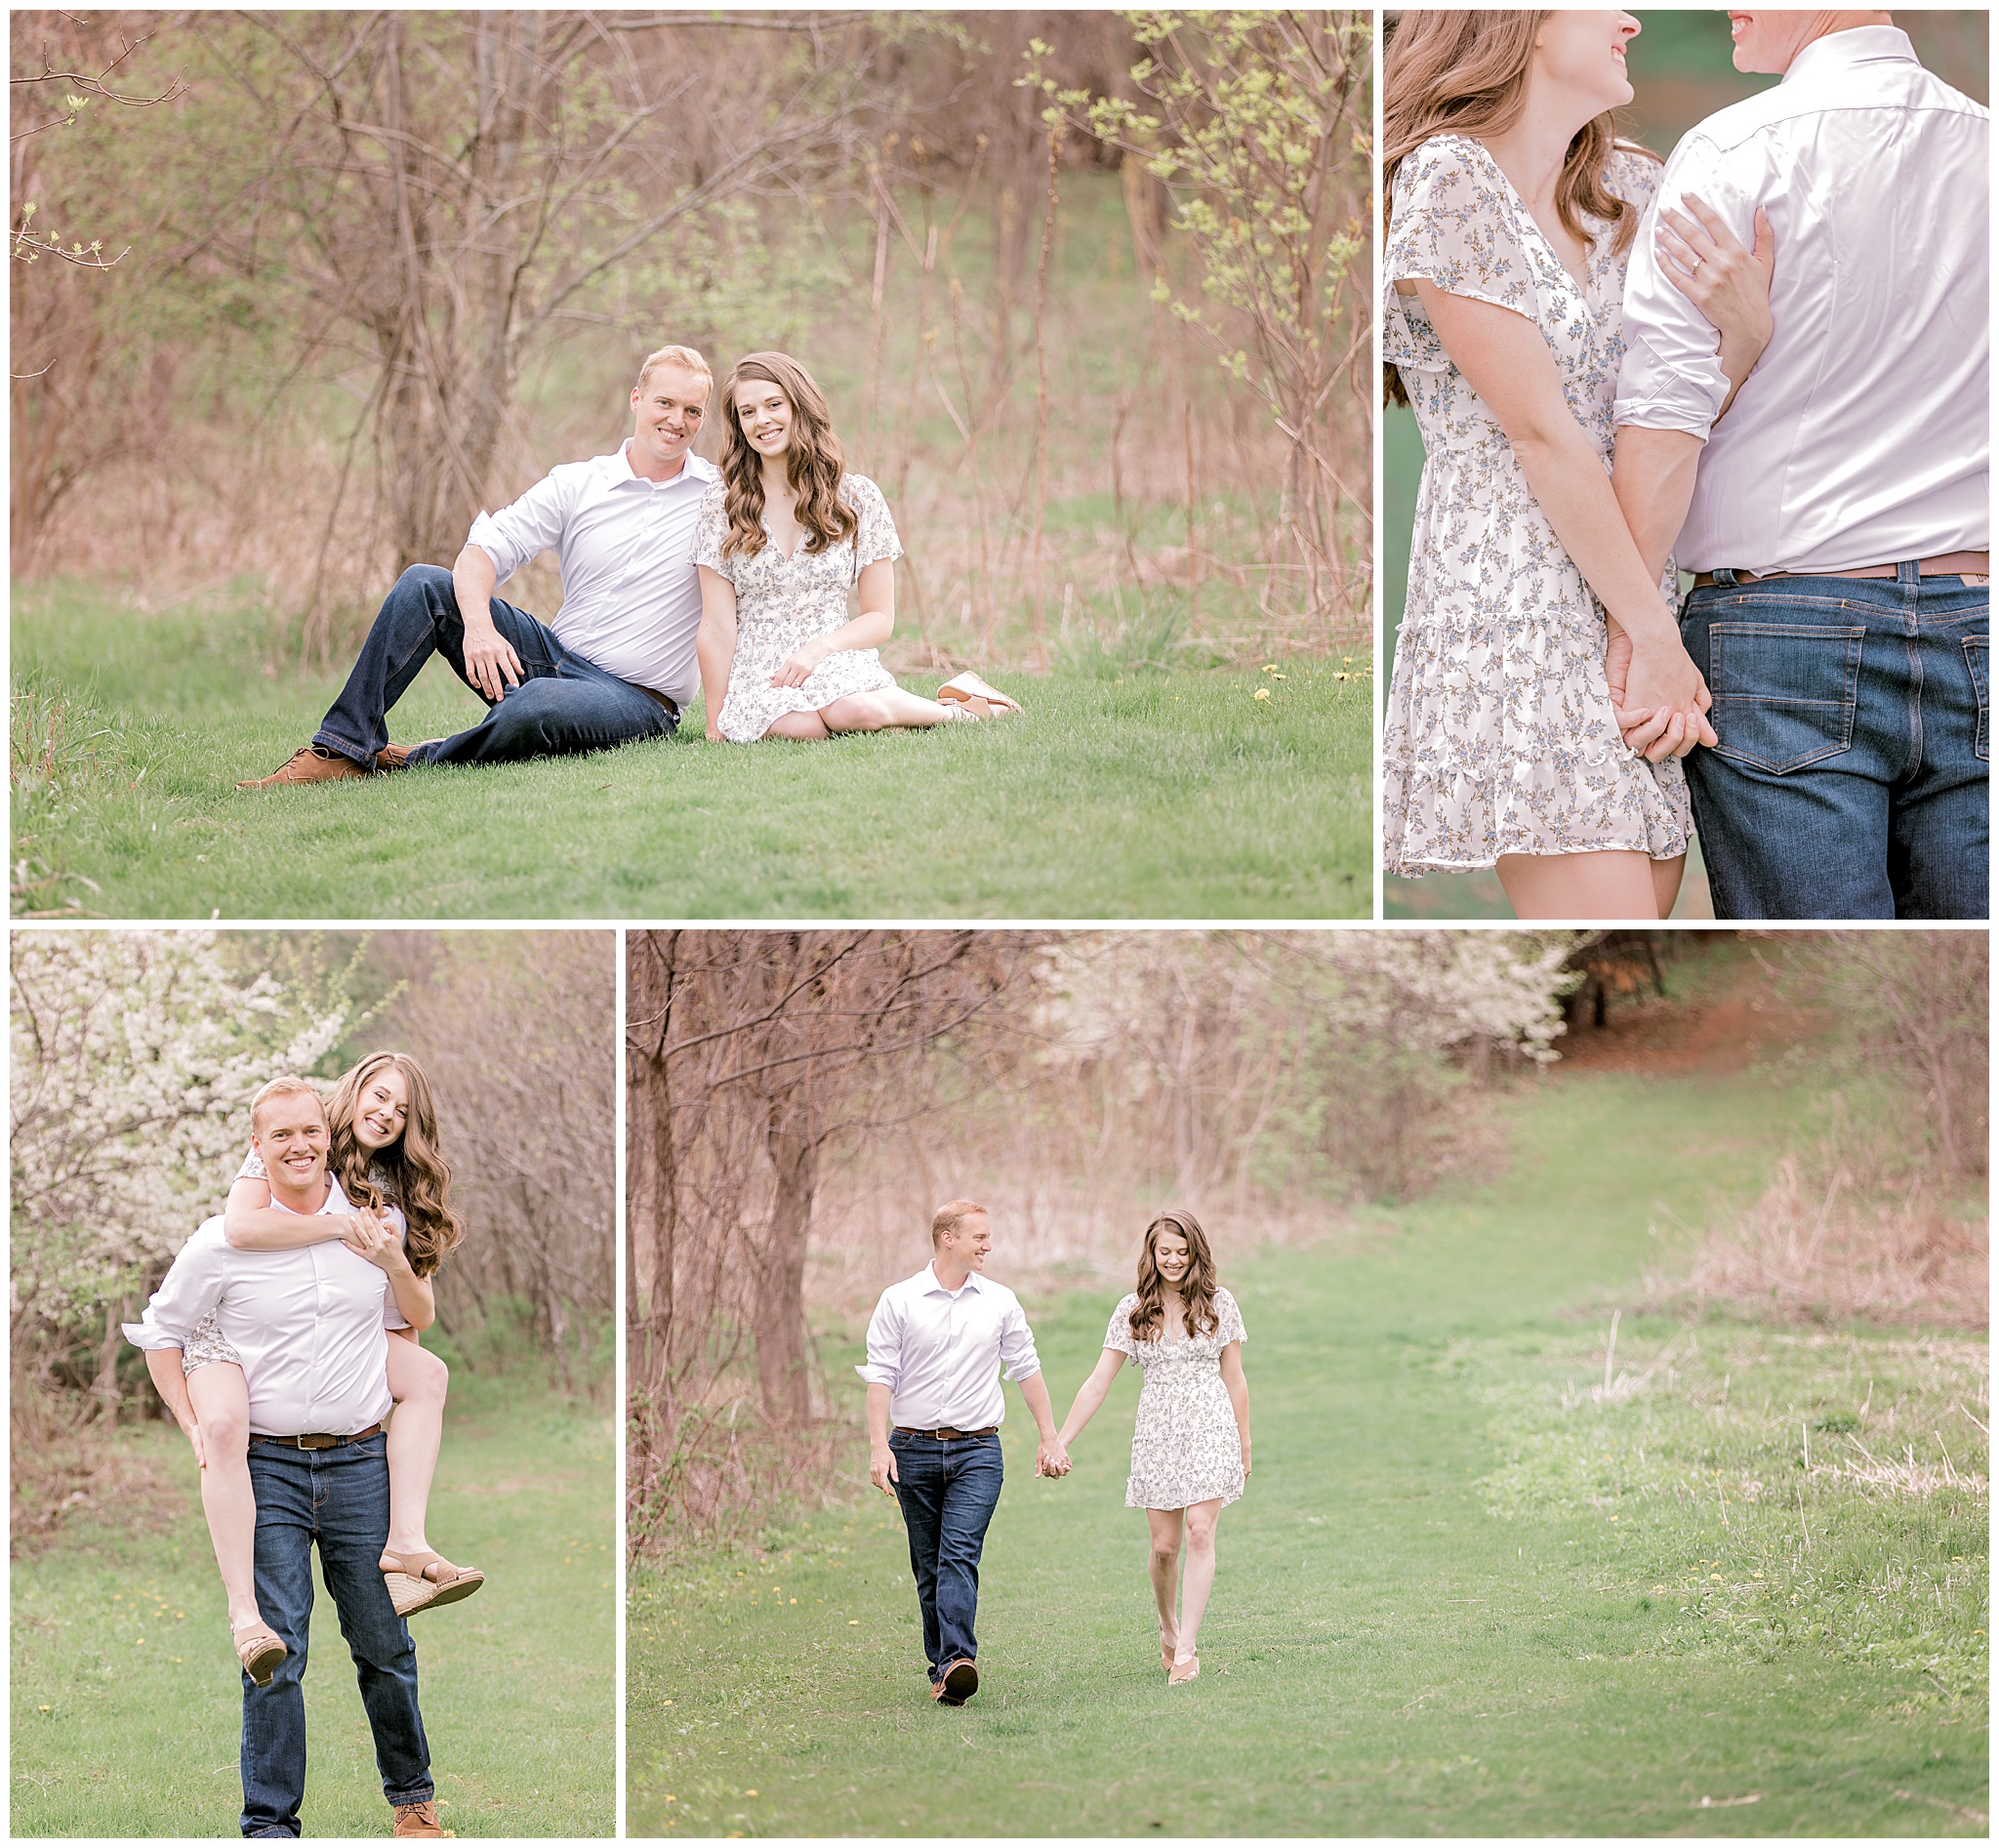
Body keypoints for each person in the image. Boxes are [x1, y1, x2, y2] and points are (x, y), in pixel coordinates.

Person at [1380, 10, 1777, 920]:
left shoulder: (1631, 188)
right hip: (1518, 604)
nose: (1633, 17)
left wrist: (1746, 336)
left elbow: (1669, 420)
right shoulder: (1447, 179)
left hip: (1637, 588)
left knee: (1648, 909)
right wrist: (1657, 643)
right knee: (1614, 918)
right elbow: (1543, 437)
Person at [1611, 12, 1989, 920]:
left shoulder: (1734, 150)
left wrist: (1632, 634)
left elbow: (1662, 412)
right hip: (1983, 621)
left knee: (1823, 953)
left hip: (1782, 638)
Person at [126, 1077, 445, 1838]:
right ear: (257, 1148)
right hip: (267, 1468)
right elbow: (161, 1331)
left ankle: (415, 1806)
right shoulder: (222, 1241)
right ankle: (270, 1827)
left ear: (325, 1136)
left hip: (361, 1461)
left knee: (384, 1646)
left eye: (310, 1131)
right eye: (281, 1137)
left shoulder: (373, 1223)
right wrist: (191, 1423)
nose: (300, 1146)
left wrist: (392, 1259)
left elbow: (412, 1323)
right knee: (277, 1651)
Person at [239, 345, 718, 785]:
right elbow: (485, 548)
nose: (677, 420)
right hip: (553, 659)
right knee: (424, 584)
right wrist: (480, 627)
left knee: (533, 705)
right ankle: (341, 750)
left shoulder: (719, 498)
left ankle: (416, 759)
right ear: (637, 399)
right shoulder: (579, 484)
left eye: (692, 410)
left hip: (637, 701)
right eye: (665, 403)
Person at [219, 1052, 478, 1619]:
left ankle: (407, 1539)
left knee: (429, 1373)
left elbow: (419, 1315)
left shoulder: (407, 1190)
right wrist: (341, 1226)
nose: (387, 1115)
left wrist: (393, 1261)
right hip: (305, 1328)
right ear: (356, 1089)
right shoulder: (303, 1141)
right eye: (380, 1096)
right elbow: (240, 1225)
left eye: (402, 1111)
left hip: (368, 1334)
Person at [694, 351, 1022, 741]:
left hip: (833, 653)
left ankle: (964, 711)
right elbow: (716, 626)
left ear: (800, 407)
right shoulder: (723, 503)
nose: (761, 420)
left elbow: (880, 618)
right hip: (760, 666)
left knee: (855, 711)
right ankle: (864, 708)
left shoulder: (856, 497)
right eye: (747, 412)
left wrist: (820, 649)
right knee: (801, 728)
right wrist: (715, 723)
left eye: (773, 404)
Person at [858, 1199, 1069, 1706]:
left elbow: (1025, 1367)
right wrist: (877, 1447)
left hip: (978, 1449)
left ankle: (957, 1660)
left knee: (958, 1554)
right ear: (947, 1238)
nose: (988, 1245)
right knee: (927, 1565)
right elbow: (880, 1375)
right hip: (911, 1449)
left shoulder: (1000, 1301)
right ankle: (944, 1669)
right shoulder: (900, 1300)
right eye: (979, 1236)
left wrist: (1050, 1437)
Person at [1053, 1210, 1249, 1686]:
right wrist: (1059, 1440)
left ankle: (1187, 1649)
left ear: (1195, 1253)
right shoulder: (1133, 1311)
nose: (1174, 1261)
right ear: (1152, 1254)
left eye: (1183, 1252)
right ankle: (1167, 1626)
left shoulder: (1219, 1304)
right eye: (1165, 1252)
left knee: (1201, 1532)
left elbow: (1235, 1377)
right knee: (1165, 1548)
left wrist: (1244, 1442)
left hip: (1210, 1426)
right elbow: (1099, 1382)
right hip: (1158, 1433)